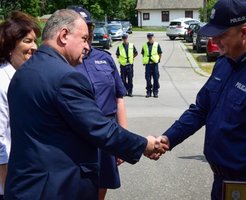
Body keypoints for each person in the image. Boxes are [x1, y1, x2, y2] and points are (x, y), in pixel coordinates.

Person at [5, 9, 168, 200]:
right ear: (64, 35)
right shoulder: (65, 77)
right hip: (57, 190)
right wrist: (144, 145)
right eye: (83, 38)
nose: (87, 47)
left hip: (26, 187)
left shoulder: (22, 72)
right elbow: (99, 128)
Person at [155, 0, 246, 199]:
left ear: (244, 33)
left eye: (221, 34)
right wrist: (168, 138)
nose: (215, 40)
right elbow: (201, 109)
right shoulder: (224, 63)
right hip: (221, 183)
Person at [73, 7, 127, 200]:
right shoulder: (64, 61)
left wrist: (122, 140)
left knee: (102, 182)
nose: (86, 33)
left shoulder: (104, 58)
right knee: (76, 184)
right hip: (78, 133)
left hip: (107, 131)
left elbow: (118, 98)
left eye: (88, 27)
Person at [0, 11, 40, 199]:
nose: (34, 47)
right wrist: (8, 188)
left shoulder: (19, 77)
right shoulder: (2, 82)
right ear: (9, 45)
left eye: (35, 41)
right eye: (27, 41)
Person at [141, 33, 162, 98]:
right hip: (148, 64)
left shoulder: (157, 45)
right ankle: (148, 92)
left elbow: (160, 53)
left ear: (153, 37)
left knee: (156, 78)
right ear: (147, 38)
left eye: (151, 37)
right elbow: (143, 54)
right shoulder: (144, 45)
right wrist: (145, 60)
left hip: (154, 64)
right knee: (148, 78)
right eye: (149, 38)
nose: (150, 39)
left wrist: (158, 60)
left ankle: (155, 92)